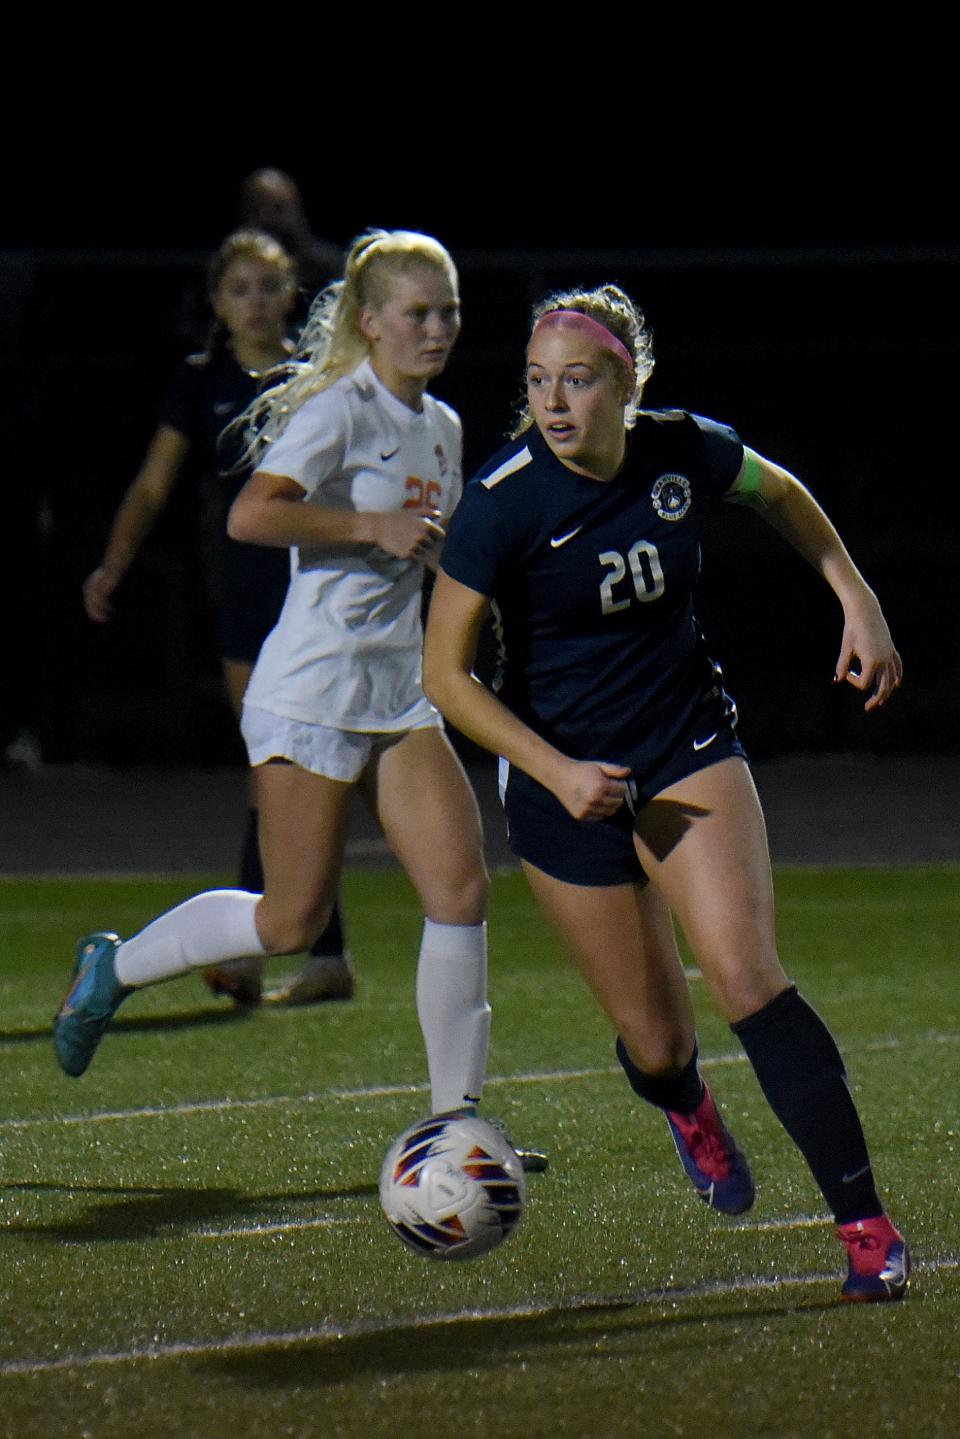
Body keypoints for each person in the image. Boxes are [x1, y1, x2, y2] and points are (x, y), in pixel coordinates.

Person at [422, 284, 909, 1302]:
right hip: (561, 781)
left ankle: (865, 1226)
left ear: (627, 383)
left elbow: (780, 493)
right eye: (538, 382)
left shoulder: (684, 449)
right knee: (656, 1039)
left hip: (684, 744)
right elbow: (445, 677)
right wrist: (555, 770)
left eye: (580, 380)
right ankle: (687, 1100)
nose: (555, 402)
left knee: (746, 977)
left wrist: (856, 595)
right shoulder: (502, 502)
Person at [54, 229, 547, 1171]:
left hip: (400, 690)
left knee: (460, 886)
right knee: (289, 921)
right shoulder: (338, 411)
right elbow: (252, 514)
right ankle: (108, 969)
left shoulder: (439, 426)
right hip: (313, 689)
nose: (438, 327)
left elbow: (419, 548)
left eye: (449, 310)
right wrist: (367, 522)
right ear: (371, 323)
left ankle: (457, 1125)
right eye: (418, 312)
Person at [81, 228, 353, 1006]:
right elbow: (152, 483)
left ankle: (275, 950)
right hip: (248, 592)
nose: (257, 302)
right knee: (279, 773)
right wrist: (114, 563)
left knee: (309, 774)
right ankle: (307, 949)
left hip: (326, 590)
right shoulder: (201, 381)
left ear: (291, 296)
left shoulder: (320, 377)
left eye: (269, 287)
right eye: (241, 289)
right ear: (217, 303)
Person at [238, 168, 343, 298]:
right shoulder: (228, 269)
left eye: (278, 208)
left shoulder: (327, 267)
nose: (267, 217)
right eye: (257, 209)